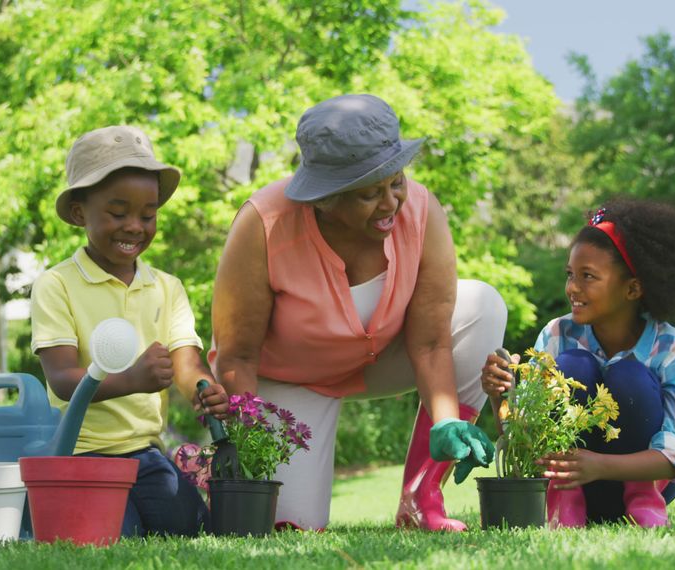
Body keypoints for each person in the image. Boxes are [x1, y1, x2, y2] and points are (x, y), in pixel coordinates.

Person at [210, 94, 508, 532]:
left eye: (396, 182)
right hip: (288, 383)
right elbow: (237, 356)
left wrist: (445, 420)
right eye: (369, 194)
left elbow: (429, 342)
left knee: (482, 304)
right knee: (290, 525)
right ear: (326, 199)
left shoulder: (421, 212)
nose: (390, 203)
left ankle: (422, 496)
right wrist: (246, 445)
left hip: (383, 359)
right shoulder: (265, 224)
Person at [30, 125, 229, 537]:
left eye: (148, 214)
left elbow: (186, 364)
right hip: (80, 454)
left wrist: (204, 391)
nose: (135, 226)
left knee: (190, 527)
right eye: (118, 213)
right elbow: (63, 380)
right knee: (112, 534)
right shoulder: (57, 285)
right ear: (80, 212)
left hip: (145, 454)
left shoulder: (166, 288)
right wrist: (131, 380)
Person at [481, 197, 675, 527]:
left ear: (633, 288)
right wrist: (498, 394)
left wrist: (599, 464)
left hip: (643, 480)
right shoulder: (557, 334)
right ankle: (565, 504)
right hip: (567, 481)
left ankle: (641, 500)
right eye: (570, 274)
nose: (572, 287)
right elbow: (524, 439)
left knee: (631, 376)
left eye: (588, 276)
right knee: (574, 365)